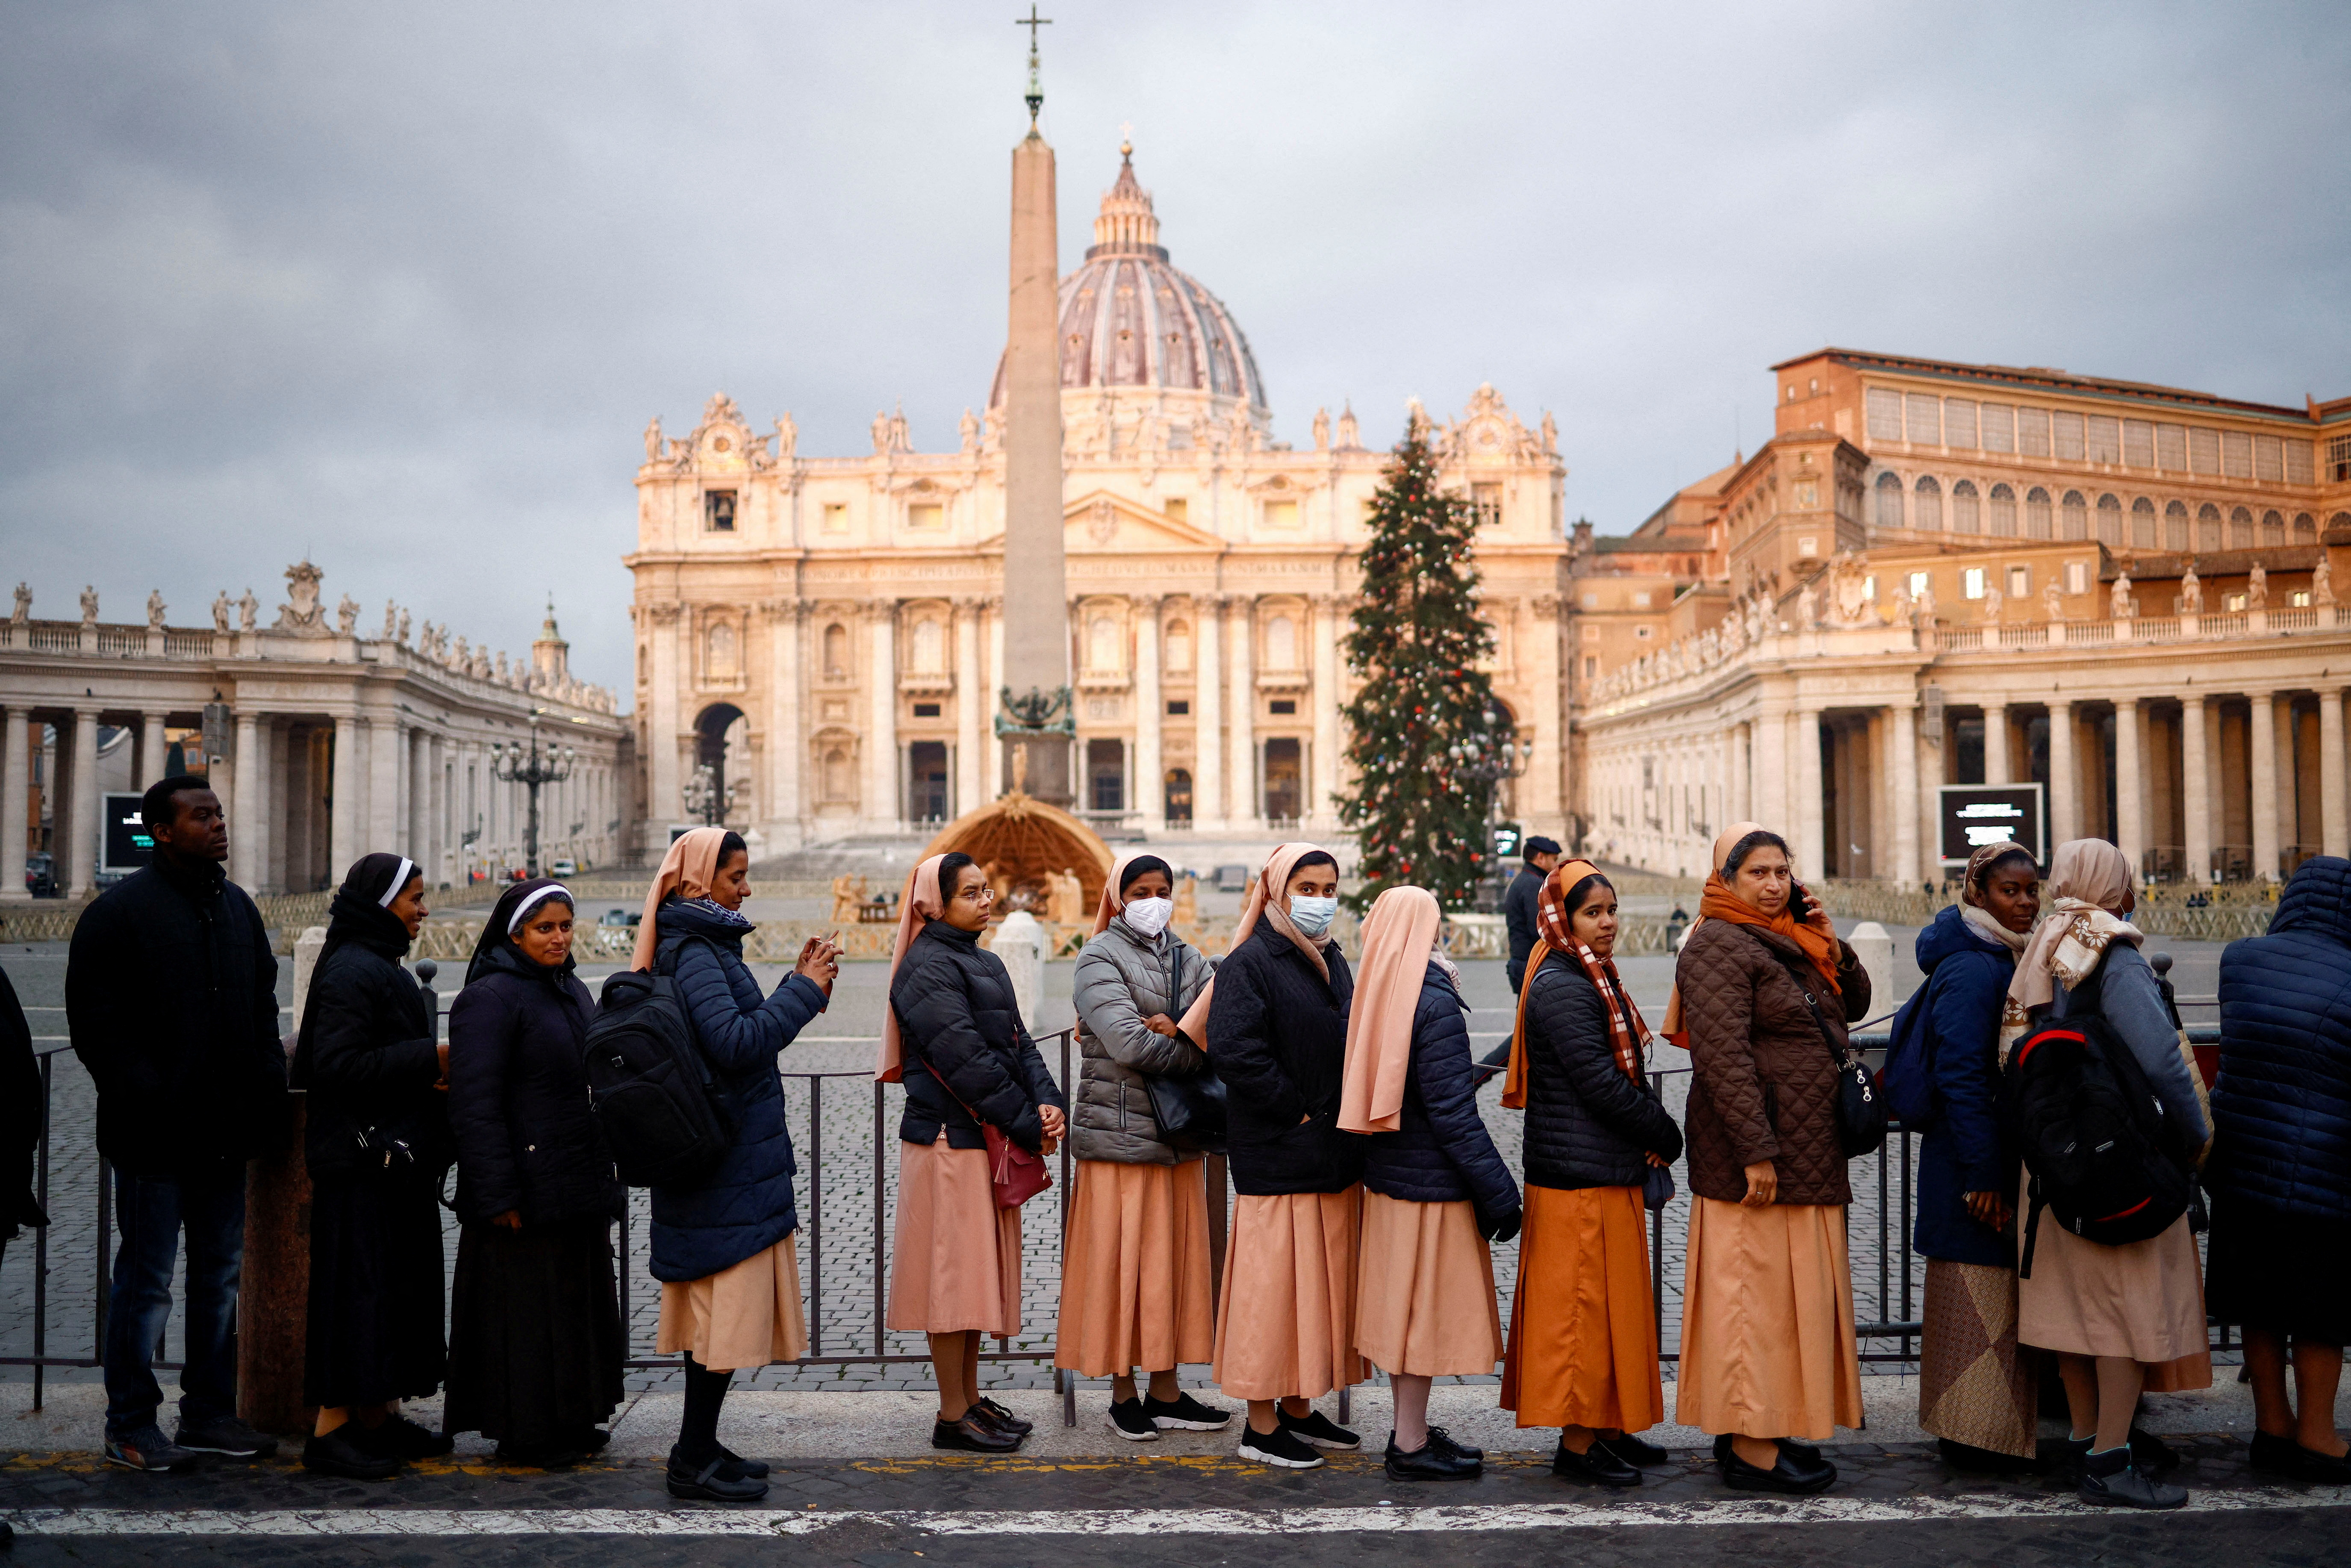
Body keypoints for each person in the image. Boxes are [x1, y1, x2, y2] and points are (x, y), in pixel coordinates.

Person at [66, 775, 287, 1473]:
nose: (218, 823)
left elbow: (261, 1009)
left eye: (219, 812)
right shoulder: (118, 913)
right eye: (201, 816)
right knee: (149, 1279)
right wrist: (149, 1095)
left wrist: (267, 1095)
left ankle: (208, 1413)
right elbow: (96, 1025)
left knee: (220, 1278)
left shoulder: (239, 909)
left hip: (224, 1134)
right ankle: (130, 1421)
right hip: (153, 1136)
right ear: (160, 831)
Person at [1665, 822, 1870, 1495]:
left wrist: (1832, 943)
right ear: (1726, 879)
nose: (1775, 883)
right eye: (1758, 873)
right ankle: (1752, 1446)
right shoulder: (1718, 944)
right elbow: (1723, 1060)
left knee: (1784, 1303)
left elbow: (1848, 1009)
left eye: (1782, 871)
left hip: (1803, 1151)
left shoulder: (1791, 938)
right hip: (1762, 1159)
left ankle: (1762, 1428)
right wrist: (1757, 1152)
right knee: (1752, 1300)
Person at [2006, 838, 2211, 1510]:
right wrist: (2194, 1138)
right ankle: (2110, 1461)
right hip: (2119, 1160)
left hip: (2054, 1165)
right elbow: (2162, 1062)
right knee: (2126, 1319)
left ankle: (2088, 1440)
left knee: (2074, 1315)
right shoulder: (2114, 953)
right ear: (2116, 884)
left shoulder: (2041, 945)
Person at [637, 828, 837, 1502]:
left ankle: (701, 1446)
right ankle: (691, 1458)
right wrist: (803, 994)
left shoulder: (707, 945)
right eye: (736, 878)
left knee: (714, 1319)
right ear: (697, 882)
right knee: (720, 1316)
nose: (746, 888)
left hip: (728, 1159)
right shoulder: (695, 949)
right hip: (722, 1162)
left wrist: (792, 984)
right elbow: (735, 1042)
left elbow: (737, 1025)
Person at [1499, 860, 1683, 1488]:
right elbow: (1602, 1085)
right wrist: (1663, 1131)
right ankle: (1577, 1445)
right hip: (1576, 1176)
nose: (1607, 924)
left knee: (1611, 1310)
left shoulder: (1590, 974)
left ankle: (1607, 1426)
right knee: (1580, 1314)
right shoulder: (1563, 983)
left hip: (1601, 1165)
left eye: (1611, 911)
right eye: (1592, 913)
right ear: (1561, 917)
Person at [882, 852, 1068, 1454]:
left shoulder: (982, 960)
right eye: (971, 893)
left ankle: (969, 1397)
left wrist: (1047, 1102)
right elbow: (966, 1061)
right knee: (950, 1281)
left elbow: (1019, 1044)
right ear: (936, 904)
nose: (986, 900)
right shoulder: (927, 967)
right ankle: (950, 1411)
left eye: (987, 890)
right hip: (946, 1141)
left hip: (979, 1137)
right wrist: (1024, 1123)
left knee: (970, 1281)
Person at [1189, 843, 1363, 1470]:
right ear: (1276, 892)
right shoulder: (1251, 961)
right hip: (1281, 1152)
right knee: (1272, 1294)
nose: (1320, 899)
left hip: (1329, 1152)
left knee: (1312, 1291)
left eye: (1329, 886)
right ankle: (1260, 1425)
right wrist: (1296, 1109)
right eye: (1307, 887)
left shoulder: (1331, 958)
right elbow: (1235, 1051)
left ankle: (1297, 1405)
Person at [443, 878, 626, 1468]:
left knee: (575, 1305)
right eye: (545, 928)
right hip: (521, 1185)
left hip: (573, 1178)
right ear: (515, 934)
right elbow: (476, 1103)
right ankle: (523, 1429)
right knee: (524, 1316)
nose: (558, 938)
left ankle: (574, 1415)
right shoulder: (489, 999)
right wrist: (497, 1191)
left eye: (566, 927)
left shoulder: (573, 990)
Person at [1340, 885, 1519, 1482]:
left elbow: (1416, 1088)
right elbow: (1449, 1112)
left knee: (1404, 1319)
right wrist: (1499, 1189)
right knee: (1422, 1320)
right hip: (1431, 1186)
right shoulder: (1433, 997)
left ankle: (1408, 1432)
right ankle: (1410, 1445)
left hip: (1390, 1179)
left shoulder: (1377, 989)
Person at [293, 853, 455, 1480]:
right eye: (414, 896)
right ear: (381, 903)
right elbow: (335, 1065)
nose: (423, 908)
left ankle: (375, 1418)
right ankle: (330, 1431)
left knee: (388, 1292)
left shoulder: (372, 962)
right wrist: (429, 1056)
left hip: (387, 1162)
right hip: (359, 1163)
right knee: (356, 1296)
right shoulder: (353, 971)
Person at [1057, 852, 1229, 1441]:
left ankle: (1167, 1387)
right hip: (1120, 1141)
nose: (1153, 901)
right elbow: (1129, 1044)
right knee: (1121, 1271)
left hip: (1179, 1139)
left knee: (1171, 1271)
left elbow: (1224, 1025)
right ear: (1118, 896)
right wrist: (1186, 1038)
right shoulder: (1097, 955)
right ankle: (1123, 1390)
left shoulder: (1189, 956)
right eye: (1140, 890)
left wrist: (1179, 1030)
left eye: (1162, 890)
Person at [2211, 854, 2351, 1484]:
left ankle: (2272, 1429)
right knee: (2320, 1314)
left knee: (2260, 1306)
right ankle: (2320, 1437)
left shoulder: (2240, 960)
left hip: (2241, 1164)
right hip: (2325, 1171)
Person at [1905, 842, 2042, 1472]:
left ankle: (1988, 1432)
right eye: (2010, 891)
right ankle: (1974, 1438)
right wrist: (1984, 1173)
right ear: (1978, 895)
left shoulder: (2000, 959)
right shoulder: (1974, 968)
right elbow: (1961, 1077)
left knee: (1987, 1298)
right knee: (1975, 1300)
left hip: (1977, 1159)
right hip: (1967, 1166)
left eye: (2031, 889)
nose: (2025, 902)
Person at [1503, 837, 1561, 994]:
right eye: (1554, 859)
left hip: (1523, 963)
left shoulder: (1523, 880)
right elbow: (1540, 929)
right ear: (1541, 857)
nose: (1556, 865)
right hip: (1531, 964)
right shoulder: (1533, 884)